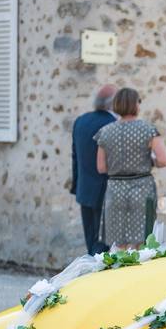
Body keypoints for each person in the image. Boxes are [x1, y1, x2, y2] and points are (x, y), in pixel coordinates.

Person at [94, 88, 166, 250]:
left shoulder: (105, 132)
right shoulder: (148, 130)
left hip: (115, 189)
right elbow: (164, 160)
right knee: (142, 240)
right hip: (142, 188)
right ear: (136, 104)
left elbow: (101, 167)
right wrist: (149, 161)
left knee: (119, 243)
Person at [71, 84, 117, 254]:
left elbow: (75, 157)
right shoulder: (113, 125)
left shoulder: (81, 121)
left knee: (90, 242)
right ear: (113, 103)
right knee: (102, 247)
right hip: (106, 192)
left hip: (85, 190)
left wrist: (76, 186)